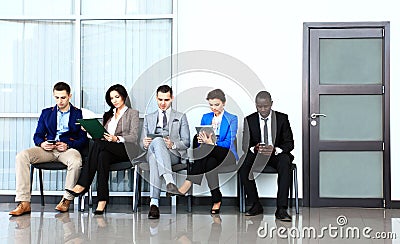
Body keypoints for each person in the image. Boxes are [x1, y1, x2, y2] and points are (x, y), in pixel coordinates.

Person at [9, 82, 88, 216]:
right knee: (22, 156)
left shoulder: (78, 114)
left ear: (69, 96)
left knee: (76, 161)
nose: (60, 101)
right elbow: (37, 135)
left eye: (63, 97)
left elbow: (83, 139)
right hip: (47, 149)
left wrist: (68, 145)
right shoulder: (46, 113)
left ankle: (66, 200)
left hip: (67, 149)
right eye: (57, 97)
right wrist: (42, 144)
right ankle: (24, 202)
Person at [66, 84, 140, 214]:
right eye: (112, 98)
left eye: (117, 97)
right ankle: (102, 200)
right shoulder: (108, 115)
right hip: (109, 148)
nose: (115, 100)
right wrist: (89, 130)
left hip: (127, 149)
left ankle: (83, 184)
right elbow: (102, 135)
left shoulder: (132, 113)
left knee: (99, 146)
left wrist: (116, 139)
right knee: (102, 156)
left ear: (124, 96)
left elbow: (134, 136)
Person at [177, 89, 238, 214]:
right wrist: (201, 140)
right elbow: (200, 140)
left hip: (226, 154)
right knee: (210, 162)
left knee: (208, 148)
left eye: (217, 104)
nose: (213, 108)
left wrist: (212, 143)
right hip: (209, 155)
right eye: (211, 105)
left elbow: (228, 143)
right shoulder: (206, 117)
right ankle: (217, 199)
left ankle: (189, 181)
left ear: (224, 103)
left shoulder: (232, 118)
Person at [239, 91, 294, 221]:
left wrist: (275, 149)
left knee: (285, 162)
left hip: (276, 154)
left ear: (271, 104)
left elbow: (289, 144)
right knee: (243, 165)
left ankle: (281, 209)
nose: (263, 110)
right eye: (259, 106)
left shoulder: (282, 118)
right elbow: (245, 145)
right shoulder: (249, 120)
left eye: (266, 106)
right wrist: (255, 148)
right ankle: (255, 204)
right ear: (256, 105)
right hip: (258, 154)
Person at [140, 85, 190, 219]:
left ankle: (154, 204)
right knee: (156, 143)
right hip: (153, 151)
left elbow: (186, 142)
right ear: (156, 98)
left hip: (172, 154)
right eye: (160, 99)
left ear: (172, 98)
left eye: (166, 100)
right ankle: (169, 182)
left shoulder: (181, 117)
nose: (162, 103)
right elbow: (141, 143)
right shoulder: (148, 117)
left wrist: (173, 144)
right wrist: (144, 144)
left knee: (154, 158)